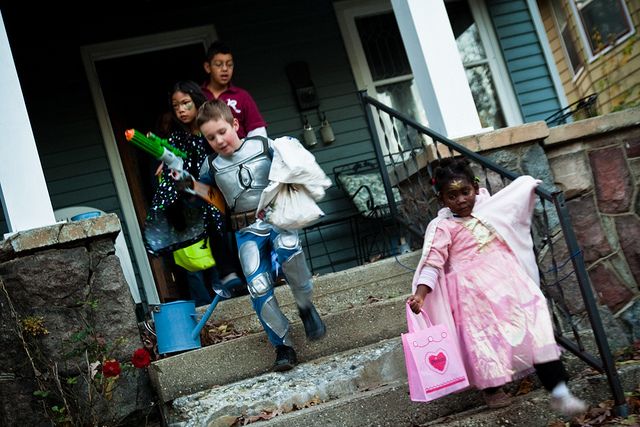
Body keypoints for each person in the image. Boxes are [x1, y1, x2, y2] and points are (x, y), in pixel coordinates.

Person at [406, 158, 588, 417]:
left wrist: (530, 184)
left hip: (510, 285)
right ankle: (492, 389)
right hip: (473, 297)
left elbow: (518, 191)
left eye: (465, 192)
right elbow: (432, 263)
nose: (460, 200)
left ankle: (559, 390)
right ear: (441, 200)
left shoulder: (491, 208)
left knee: (535, 328)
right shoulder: (443, 227)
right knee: (484, 340)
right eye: (452, 195)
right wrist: (421, 294)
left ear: (476, 188)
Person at [187, 99, 326, 371]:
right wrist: (189, 186)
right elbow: (211, 197)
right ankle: (283, 345)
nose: (219, 140)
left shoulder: (263, 146)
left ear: (235, 124)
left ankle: (305, 305)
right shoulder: (211, 166)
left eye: (222, 131)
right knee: (258, 286)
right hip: (245, 231)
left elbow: (292, 167)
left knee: (289, 248)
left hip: (277, 218)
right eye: (211, 137)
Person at [148, 80, 243, 306]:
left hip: (223, 193)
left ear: (196, 100)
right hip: (196, 199)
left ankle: (237, 279)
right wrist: (167, 164)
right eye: (176, 105)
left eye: (185, 103)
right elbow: (170, 159)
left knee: (230, 237)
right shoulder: (175, 137)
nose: (181, 109)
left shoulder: (210, 129)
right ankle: (218, 291)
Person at [201, 40, 267, 139]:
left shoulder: (242, 96)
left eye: (229, 64)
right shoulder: (198, 95)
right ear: (207, 67)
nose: (225, 69)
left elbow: (257, 130)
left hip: (241, 151)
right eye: (218, 64)